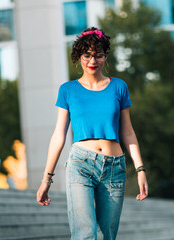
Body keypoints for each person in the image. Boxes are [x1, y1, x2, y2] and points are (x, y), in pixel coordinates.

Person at [36, 27, 148, 240]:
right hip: (81, 165)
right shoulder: (68, 90)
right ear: (79, 57)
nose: (92, 60)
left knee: (107, 235)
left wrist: (140, 168)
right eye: (87, 55)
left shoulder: (118, 87)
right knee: (85, 234)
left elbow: (129, 133)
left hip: (114, 168)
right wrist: (46, 179)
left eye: (98, 55)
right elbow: (59, 136)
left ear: (105, 56)